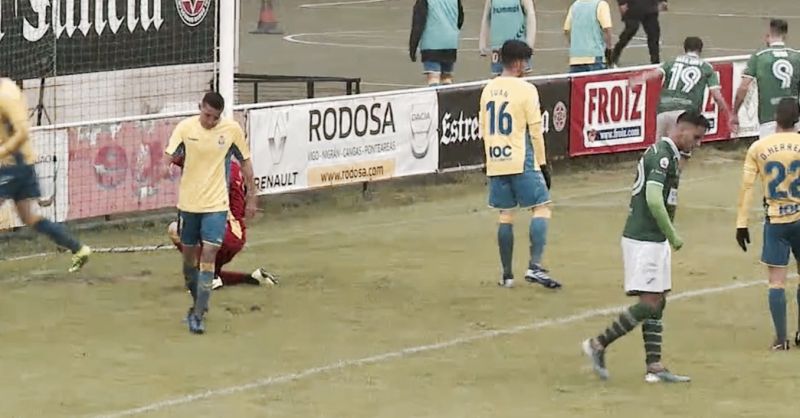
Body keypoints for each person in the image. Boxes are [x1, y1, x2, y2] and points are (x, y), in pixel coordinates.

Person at [582, 110, 710, 383]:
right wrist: (672, 234)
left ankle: (655, 367)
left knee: (658, 300)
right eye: (696, 137)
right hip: (644, 238)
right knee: (650, 302)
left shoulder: (670, 154)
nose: (698, 144)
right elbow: (653, 198)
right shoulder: (663, 155)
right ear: (682, 129)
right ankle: (597, 344)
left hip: (653, 239)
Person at [164, 91, 257, 334]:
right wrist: (164, 166)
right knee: (188, 264)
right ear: (200, 108)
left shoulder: (231, 130)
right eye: (207, 115)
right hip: (189, 205)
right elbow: (169, 154)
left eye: (215, 118)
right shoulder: (185, 128)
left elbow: (246, 162)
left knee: (209, 255)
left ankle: (198, 315)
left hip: (216, 206)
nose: (211, 121)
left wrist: (252, 196)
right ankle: (197, 305)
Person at [479, 40, 561, 290]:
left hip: (495, 159)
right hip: (520, 158)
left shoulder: (488, 89)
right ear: (517, 63)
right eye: (525, 61)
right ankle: (535, 267)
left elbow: (483, 129)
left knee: (506, 214)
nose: (527, 66)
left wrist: (489, 160)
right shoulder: (526, 90)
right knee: (542, 207)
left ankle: (507, 276)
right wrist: (543, 164)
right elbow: (535, 131)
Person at [0, 77, 91, 272]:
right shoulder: (7, 86)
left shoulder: (5, 95)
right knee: (29, 217)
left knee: (29, 216)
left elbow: (22, 131)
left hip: (13, 165)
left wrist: (3, 151)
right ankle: (79, 248)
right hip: (20, 164)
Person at [735, 98, 800, 351]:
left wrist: (742, 224)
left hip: (776, 221)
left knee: (776, 282)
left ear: (775, 118)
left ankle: (780, 339)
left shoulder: (758, 148)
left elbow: (747, 188)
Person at [166, 157, 276, 291]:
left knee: (182, 226)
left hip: (223, 235)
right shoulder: (229, 166)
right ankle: (252, 278)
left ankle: (209, 279)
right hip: (234, 234)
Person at [630, 36, 731, 141]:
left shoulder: (672, 62)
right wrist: (729, 114)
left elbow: (655, 74)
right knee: (682, 150)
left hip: (664, 109)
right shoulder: (706, 67)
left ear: (685, 48)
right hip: (686, 114)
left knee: (660, 150)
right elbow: (716, 96)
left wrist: (637, 79)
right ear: (700, 50)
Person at [732, 19, 800, 139]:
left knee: (770, 154)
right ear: (785, 35)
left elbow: (743, 87)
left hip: (769, 118)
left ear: (768, 35)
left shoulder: (759, 57)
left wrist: (735, 113)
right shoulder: (796, 56)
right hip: (794, 119)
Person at [409, 0, 465, 86]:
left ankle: (434, 94)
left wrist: (413, 47)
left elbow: (418, 23)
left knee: (433, 77)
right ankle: (448, 97)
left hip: (431, 44)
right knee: (446, 76)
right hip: (450, 43)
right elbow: (460, 18)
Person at [478, 0, 536, 77]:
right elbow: (486, 18)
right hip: (498, 48)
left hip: (518, 48)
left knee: (520, 79)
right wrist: (482, 41)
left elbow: (530, 16)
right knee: (499, 79)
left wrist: (530, 43)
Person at [610, 0, 667, 66]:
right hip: (632, 7)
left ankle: (655, 61)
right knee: (630, 31)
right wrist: (622, 3)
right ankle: (615, 54)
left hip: (650, 8)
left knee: (653, 34)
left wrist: (663, 1)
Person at [563, 0, 614, 73]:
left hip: (575, 58)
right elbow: (607, 29)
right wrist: (609, 49)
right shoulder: (601, 4)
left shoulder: (574, 6)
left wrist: (574, 45)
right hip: (595, 56)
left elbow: (567, 30)